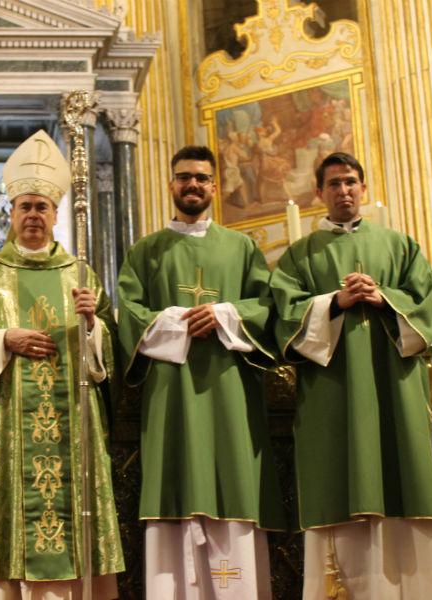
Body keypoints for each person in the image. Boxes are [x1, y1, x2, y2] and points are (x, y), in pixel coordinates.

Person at [269, 152, 432, 598]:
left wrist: (383, 298)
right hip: (332, 398)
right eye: (333, 184)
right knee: (338, 485)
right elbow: (284, 318)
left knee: (403, 477)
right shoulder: (299, 256)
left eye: (351, 182)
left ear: (364, 189)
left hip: (394, 389)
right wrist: (335, 302)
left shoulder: (400, 246)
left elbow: (426, 310)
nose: (343, 191)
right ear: (319, 193)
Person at [0, 130, 124, 599]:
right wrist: (2, 338)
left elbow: (106, 358)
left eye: (41, 207)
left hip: (73, 425)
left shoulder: (82, 274)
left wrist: (93, 326)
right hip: (11, 421)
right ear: (11, 213)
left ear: (55, 214)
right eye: (25, 206)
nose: (33, 214)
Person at [116, 145, 284, 598]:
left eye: (202, 178)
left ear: (215, 186)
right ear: (171, 184)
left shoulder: (243, 247)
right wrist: (179, 320)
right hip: (171, 394)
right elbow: (128, 312)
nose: (193, 184)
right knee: (174, 486)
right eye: (184, 177)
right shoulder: (146, 251)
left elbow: (269, 306)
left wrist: (226, 315)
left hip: (230, 393)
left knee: (234, 484)